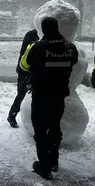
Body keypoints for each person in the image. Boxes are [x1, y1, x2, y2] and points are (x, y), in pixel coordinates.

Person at [19, 17, 78, 180]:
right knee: (54, 128)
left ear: (43, 30)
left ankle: (44, 167)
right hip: (59, 95)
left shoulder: (36, 47)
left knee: (40, 131)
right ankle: (53, 161)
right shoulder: (70, 48)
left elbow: (24, 66)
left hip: (41, 95)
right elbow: (72, 62)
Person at [7, 29, 39, 128]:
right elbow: (28, 53)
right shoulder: (33, 34)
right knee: (22, 93)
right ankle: (12, 115)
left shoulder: (36, 34)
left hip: (31, 70)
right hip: (25, 70)